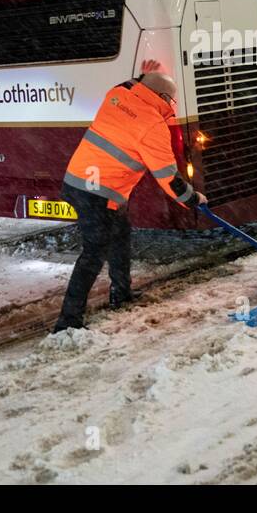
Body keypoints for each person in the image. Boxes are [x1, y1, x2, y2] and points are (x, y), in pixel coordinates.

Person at [52, 60, 205, 333]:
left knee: (120, 233)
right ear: (163, 99)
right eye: (171, 102)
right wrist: (193, 199)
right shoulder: (152, 126)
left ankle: (120, 293)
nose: (172, 108)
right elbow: (169, 178)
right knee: (93, 254)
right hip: (97, 193)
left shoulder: (116, 95)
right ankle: (67, 322)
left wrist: (146, 75)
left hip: (77, 181)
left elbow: (133, 88)